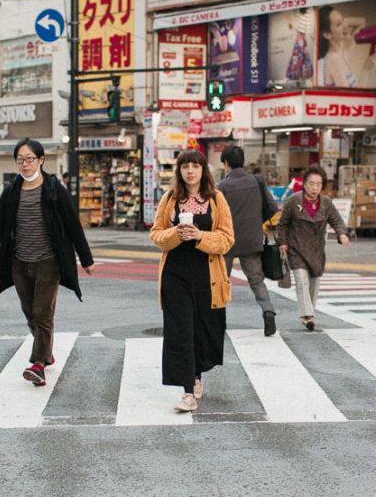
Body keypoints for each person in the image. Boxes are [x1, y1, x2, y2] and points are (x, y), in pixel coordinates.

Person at [0, 139, 95, 386]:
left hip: (49, 260)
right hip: (19, 261)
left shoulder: (54, 189)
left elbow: (73, 225)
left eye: (30, 159)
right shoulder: (11, 190)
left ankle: (38, 365)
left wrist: (86, 259)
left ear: (41, 160)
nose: (25, 164)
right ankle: (46, 352)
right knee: (29, 312)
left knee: (42, 312)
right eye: (20, 160)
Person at [150, 149, 234, 412]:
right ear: (179, 171)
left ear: (202, 170)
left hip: (207, 275)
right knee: (181, 330)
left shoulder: (217, 199)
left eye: (195, 166)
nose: (190, 171)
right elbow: (156, 234)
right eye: (185, 166)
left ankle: (197, 373)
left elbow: (227, 239)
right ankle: (188, 391)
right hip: (175, 273)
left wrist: (200, 236)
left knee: (202, 329)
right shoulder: (170, 199)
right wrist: (176, 233)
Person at [276, 165, 350, 331]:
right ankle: (308, 316)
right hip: (296, 248)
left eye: (318, 184)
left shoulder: (326, 203)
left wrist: (342, 235)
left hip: (316, 250)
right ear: (304, 184)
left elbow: (337, 221)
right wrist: (282, 242)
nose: (315, 188)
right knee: (301, 281)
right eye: (311, 184)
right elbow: (282, 224)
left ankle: (309, 313)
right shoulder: (294, 201)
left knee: (314, 283)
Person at [217, 145, 280, 336]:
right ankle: (268, 311)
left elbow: (216, 214)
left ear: (226, 163)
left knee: (221, 282)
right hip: (252, 241)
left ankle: (219, 322)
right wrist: (255, 222)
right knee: (256, 280)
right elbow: (272, 208)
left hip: (228, 241)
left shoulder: (222, 187)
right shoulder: (257, 181)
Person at [317, 5, 374, 87]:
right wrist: (365, 69)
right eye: (338, 24)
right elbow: (350, 98)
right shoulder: (334, 59)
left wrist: (342, 22)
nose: (345, 25)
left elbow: (362, 22)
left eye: (343, 21)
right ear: (327, 34)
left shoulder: (343, 52)